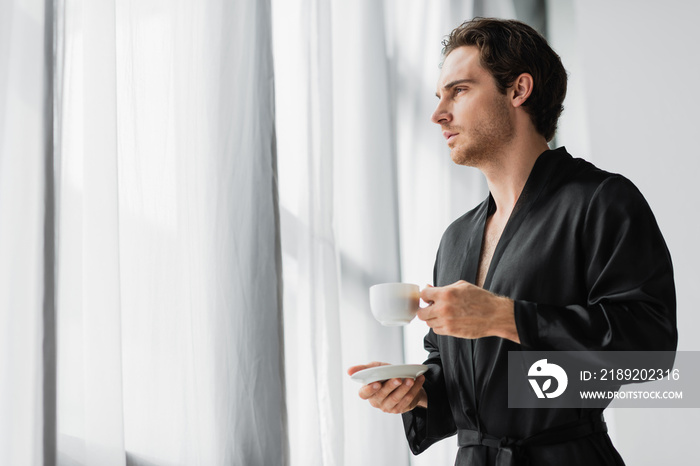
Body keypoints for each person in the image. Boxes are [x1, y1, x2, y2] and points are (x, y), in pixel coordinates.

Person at [347, 17, 677, 466]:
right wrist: (417, 394)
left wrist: (506, 317)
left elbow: (651, 353)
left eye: (458, 90)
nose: (438, 113)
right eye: (439, 95)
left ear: (518, 90)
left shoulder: (601, 201)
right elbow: (455, 370)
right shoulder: (457, 236)